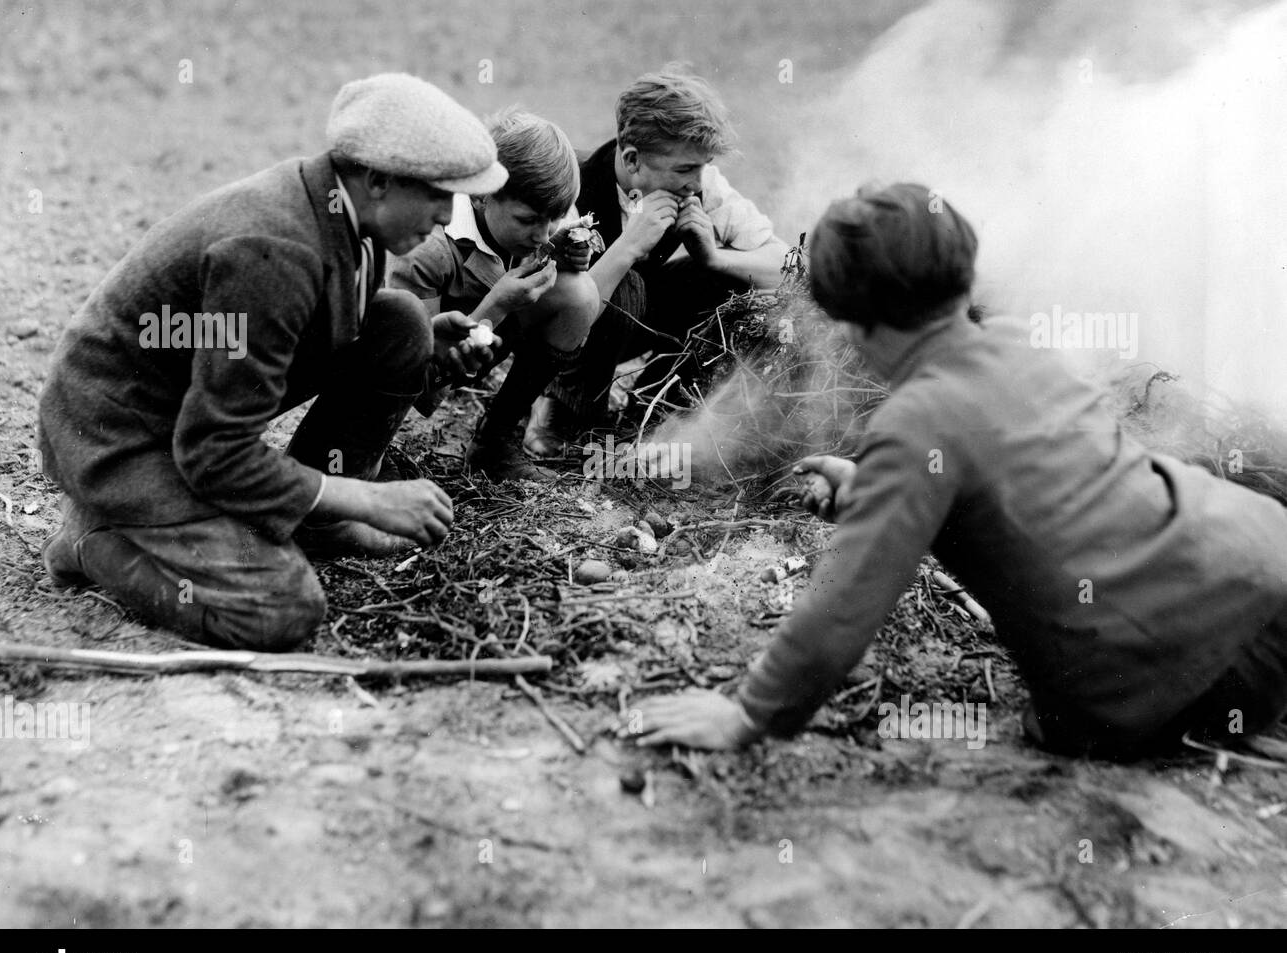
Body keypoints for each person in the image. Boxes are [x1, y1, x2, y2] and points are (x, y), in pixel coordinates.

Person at [635, 182, 1287, 761]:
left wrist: (750, 713)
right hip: (1261, 560)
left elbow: (845, 608)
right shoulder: (1014, 344)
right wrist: (879, 492)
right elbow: (1039, 483)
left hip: (1193, 669)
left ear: (860, 323)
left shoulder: (917, 420)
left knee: (1060, 724)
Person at [37, 73, 507, 651]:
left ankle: (317, 517)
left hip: (184, 404)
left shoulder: (341, 211)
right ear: (379, 180)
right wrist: (365, 496)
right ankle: (95, 540)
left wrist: (423, 346)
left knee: (402, 322)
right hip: (117, 437)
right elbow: (214, 452)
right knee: (282, 609)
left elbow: (308, 328)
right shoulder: (276, 248)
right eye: (439, 193)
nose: (447, 214)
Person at [524, 68, 790, 456]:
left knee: (721, 278)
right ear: (632, 160)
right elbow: (547, 305)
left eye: (703, 166)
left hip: (629, 324)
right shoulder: (571, 186)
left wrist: (713, 257)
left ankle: (651, 407)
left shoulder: (699, 184)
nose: (697, 183)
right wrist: (627, 246)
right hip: (560, 329)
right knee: (623, 283)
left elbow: (787, 266)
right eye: (685, 169)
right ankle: (559, 405)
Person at [389, 107, 600, 481]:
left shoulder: (542, 213)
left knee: (579, 296)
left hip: (483, 337)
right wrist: (498, 303)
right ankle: (370, 452)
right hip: (420, 362)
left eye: (555, 217)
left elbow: (555, 229)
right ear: (481, 196)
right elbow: (413, 378)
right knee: (390, 385)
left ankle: (494, 440)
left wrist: (575, 254)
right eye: (528, 220)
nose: (544, 234)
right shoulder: (428, 247)